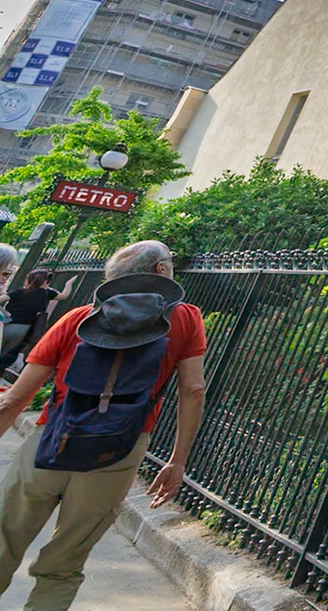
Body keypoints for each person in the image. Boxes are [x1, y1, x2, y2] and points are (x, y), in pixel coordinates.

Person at [0, 241, 207, 610]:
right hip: (118, 450)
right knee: (66, 561)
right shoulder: (186, 317)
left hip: (51, 440)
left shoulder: (77, 317)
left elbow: (15, 398)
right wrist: (176, 461)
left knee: (3, 541)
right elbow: (193, 389)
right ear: (160, 271)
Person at [0, 272, 79, 370]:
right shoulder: (47, 294)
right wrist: (69, 283)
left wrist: (4, 311)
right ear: (46, 282)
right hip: (23, 330)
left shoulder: (20, 292)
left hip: (7, 325)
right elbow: (64, 295)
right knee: (5, 354)